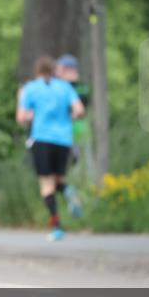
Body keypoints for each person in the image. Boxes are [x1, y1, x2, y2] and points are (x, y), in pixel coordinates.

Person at [17, 55, 85, 241]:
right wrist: (67, 119)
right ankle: (68, 189)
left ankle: (56, 226)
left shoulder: (30, 89)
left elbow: (21, 117)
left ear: (37, 71)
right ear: (54, 70)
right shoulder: (65, 87)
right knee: (58, 180)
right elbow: (79, 110)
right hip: (63, 140)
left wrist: (34, 115)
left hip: (42, 139)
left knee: (46, 185)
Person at [55, 53, 92, 210]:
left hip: (67, 134)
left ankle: (78, 200)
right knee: (76, 170)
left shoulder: (61, 88)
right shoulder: (83, 87)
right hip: (79, 132)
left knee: (68, 172)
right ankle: (79, 200)